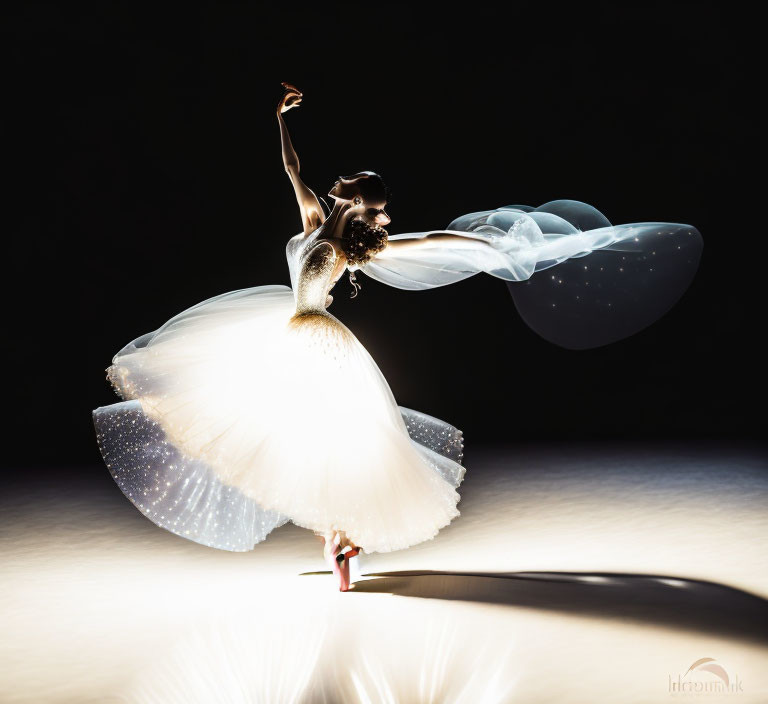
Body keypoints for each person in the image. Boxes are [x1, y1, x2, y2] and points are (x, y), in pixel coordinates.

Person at [93, 83, 701, 591]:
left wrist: (494, 246)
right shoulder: (314, 218)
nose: (343, 178)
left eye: (354, 180)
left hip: (315, 343)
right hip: (286, 330)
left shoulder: (355, 245)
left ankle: (343, 539)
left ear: (355, 200)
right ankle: (337, 540)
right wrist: (279, 119)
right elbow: (292, 168)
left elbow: (433, 241)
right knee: (293, 441)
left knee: (326, 440)